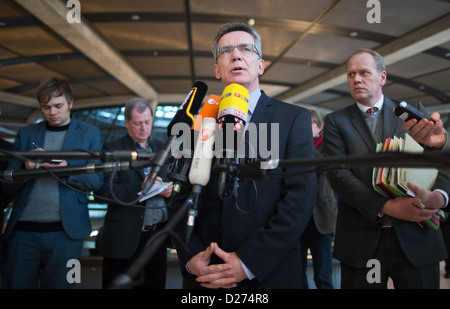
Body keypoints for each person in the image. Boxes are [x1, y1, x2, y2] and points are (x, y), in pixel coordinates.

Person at [171, 22, 316, 289]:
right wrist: (191, 258)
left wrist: (248, 262)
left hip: (269, 275)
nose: (236, 55)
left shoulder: (292, 118)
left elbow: (300, 198)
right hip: (205, 277)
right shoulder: (197, 121)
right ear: (217, 69)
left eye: (246, 49)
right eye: (226, 51)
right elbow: (179, 195)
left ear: (260, 65)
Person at [322, 49, 450, 289]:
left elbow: (439, 163)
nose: (356, 79)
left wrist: (439, 198)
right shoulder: (336, 121)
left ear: (382, 77)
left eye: (364, 73)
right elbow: (338, 175)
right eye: (351, 74)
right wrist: (387, 206)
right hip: (362, 241)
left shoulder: (412, 111)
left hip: (416, 236)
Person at [1, 77, 104, 289]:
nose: (52, 112)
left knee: (64, 286)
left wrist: (66, 170)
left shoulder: (89, 133)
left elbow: (96, 181)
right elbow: (7, 182)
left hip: (67, 235)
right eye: (46, 107)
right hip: (22, 231)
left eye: (58, 106)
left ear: (70, 103)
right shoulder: (27, 133)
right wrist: (26, 169)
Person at [97, 98, 173, 289]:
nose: (143, 128)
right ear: (127, 123)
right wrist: (141, 187)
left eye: (147, 122)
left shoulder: (163, 148)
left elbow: (176, 183)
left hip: (157, 237)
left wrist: (169, 191)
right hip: (123, 238)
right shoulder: (112, 149)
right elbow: (102, 191)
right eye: (138, 123)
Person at [300, 108, 337, 289]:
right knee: (297, 273)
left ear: (319, 126)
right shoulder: (295, 146)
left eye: (310, 124)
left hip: (321, 217)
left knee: (323, 274)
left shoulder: (327, 145)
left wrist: (305, 143)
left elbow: (323, 166)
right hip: (298, 217)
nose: (305, 128)